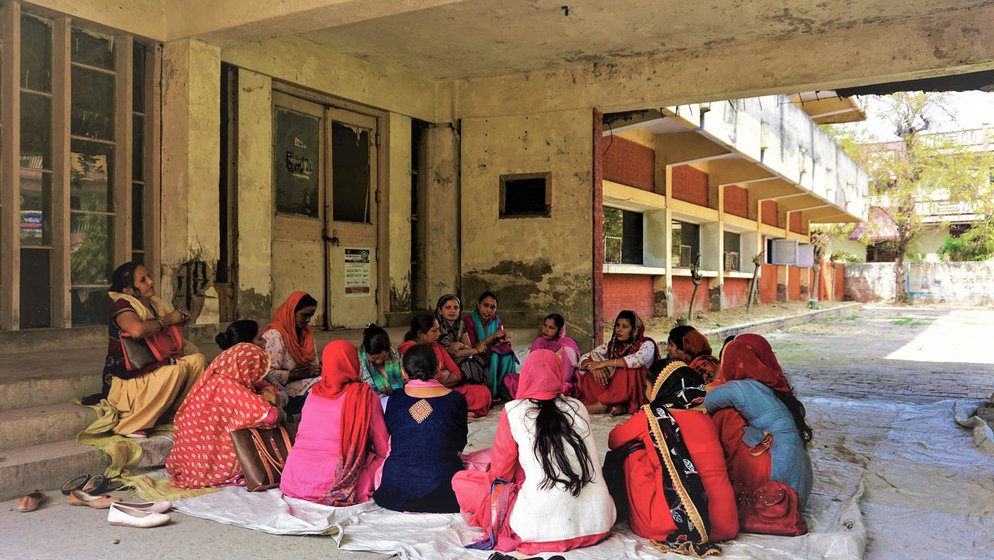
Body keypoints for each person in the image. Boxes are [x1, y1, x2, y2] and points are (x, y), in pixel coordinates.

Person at [452, 350, 615, 555]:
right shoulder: (578, 406)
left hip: (537, 530)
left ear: (526, 375)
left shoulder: (513, 410)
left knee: (462, 481)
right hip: (599, 523)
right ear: (558, 374)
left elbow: (500, 475)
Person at [606, 358, 738, 556]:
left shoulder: (651, 416)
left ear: (659, 388)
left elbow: (614, 440)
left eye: (647, 386)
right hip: (726, 523)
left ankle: (642, 515)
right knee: (662, 455)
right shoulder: (704, 416)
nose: (646, 391)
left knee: (634, 452)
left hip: (671, 526)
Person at [703, 333, 814, 509]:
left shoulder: (740, 388)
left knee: (724, 417)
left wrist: (715, 383)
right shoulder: (775, 384)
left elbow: (702, 405)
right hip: (800, 487)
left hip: (775, 482)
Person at [99, 262, 206, 436]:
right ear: (128, 290)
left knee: (197, 361)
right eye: (143, 280)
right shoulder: (121, 305)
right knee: (175, 369)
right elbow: (137, 330)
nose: (150, 282)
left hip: (150, 374)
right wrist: (168, 320)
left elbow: (162, 334)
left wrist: (176, 321)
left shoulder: (154, 305)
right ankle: (134, 425)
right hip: (126, 382)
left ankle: (173, 414)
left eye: (148, 276)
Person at [280, 340, 389, 506]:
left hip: (294, 481)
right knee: (385, 460)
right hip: (331, 483)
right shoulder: (364, 396)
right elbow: (382, 447)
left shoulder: (313, 394)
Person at [167, 343, 283, 489]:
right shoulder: (229, 386)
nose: (258, 377)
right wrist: (271, 396)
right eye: (257, 371)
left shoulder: (215, 378)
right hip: (205, 463)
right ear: (247, 367)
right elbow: (269, 416)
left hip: (187, 460)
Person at [374, 344, 468, 513]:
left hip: (394, 491)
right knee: (485, 461)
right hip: (443, 492)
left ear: (404, 372)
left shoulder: (395, 398)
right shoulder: (456, 399)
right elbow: (459, 443)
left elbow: (393, 434)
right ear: (439, 368)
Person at [398, 314, 492, 418]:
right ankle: (455, 413)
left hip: (443, 390)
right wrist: (443, 375)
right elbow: (421, 377)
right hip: (421, 394)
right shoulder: (409, 349)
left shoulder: (437, 347)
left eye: (439, 330)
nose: (439, 334)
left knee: (483, 393)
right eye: (434, 331)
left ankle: (452, 412)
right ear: (420, 334)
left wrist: (440, 383)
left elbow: (456, 373)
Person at [577, 310, 659, 416]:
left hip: (640, 390)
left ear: (634, 330)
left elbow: (637, 360)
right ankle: (614, 404)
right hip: (617, 389)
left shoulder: (647, 344)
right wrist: (592, 367)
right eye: (617, 325)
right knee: (592, 364)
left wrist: (605, 363)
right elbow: (584, 358)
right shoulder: (612, 345)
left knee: (628, 369)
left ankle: (605, 405)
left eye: (625, 327)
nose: (619, 330)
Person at [261, 291, 320, 415]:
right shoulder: (274, 335)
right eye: (304, 315)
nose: (308, 320)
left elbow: (313, 365)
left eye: (311, 316)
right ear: (291, 312)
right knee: (322, 392)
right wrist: (301, 373)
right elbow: (269, 375)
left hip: (307, 383)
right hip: (285, 390)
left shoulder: (306, 334)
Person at [504, 313, 580, 399]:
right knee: (509, 378)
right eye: (545, 325)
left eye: (551, 328)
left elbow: (567, 376)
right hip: (538, 381)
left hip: (557, 382)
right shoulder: (539, 342)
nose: (546, 330)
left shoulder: (567, 345)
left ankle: (538, 396)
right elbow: (532, 368)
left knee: (564, 388)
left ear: (559, 330)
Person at [462, 291, 518, 400]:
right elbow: (473, 346)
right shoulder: (469, 320)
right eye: (485, 305)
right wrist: (493, 336)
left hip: (490, 351)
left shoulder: (496, 320)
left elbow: (498, 341)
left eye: (493, 307)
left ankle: (504, 390)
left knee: (508, 355)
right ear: (478, 305)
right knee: (494, 356)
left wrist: (502, 340)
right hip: (474, 354)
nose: (489, 310)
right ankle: (491, 392)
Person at [434, 294, 488, 386]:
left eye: (456, 307)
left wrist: (460, 345)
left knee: (477, 360)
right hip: (439, 360)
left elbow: (468, 347)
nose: (453, 311)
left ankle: (477, 391)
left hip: (456, 356)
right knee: (465, 362)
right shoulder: (437, 325)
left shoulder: (461, 324)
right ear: (440, 310)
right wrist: (476, 350)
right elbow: (450, 353)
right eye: (448, 307)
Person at [357, 324, 405, 408]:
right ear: (365, 351)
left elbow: (407, 380)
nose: (379, 361)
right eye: (374, 358)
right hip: (374, 407)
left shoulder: (397, 356)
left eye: (384, 357)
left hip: (400, 402)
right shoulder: (359, 364)